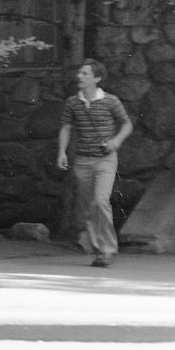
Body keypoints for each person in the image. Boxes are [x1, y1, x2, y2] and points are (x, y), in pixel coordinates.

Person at [54, 58, 136, 267]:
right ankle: (100, 250)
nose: (79, 76)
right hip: (82, 161)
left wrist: (116, 141)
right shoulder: (73, 102)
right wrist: (62, 152)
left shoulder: (111, 101)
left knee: (100, 201)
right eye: (79, 73)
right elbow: (66, 128)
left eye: (85, 74)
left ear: (96, 78)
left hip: (105, 160)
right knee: (88, 208)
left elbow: (127, 124)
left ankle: (107, 249)